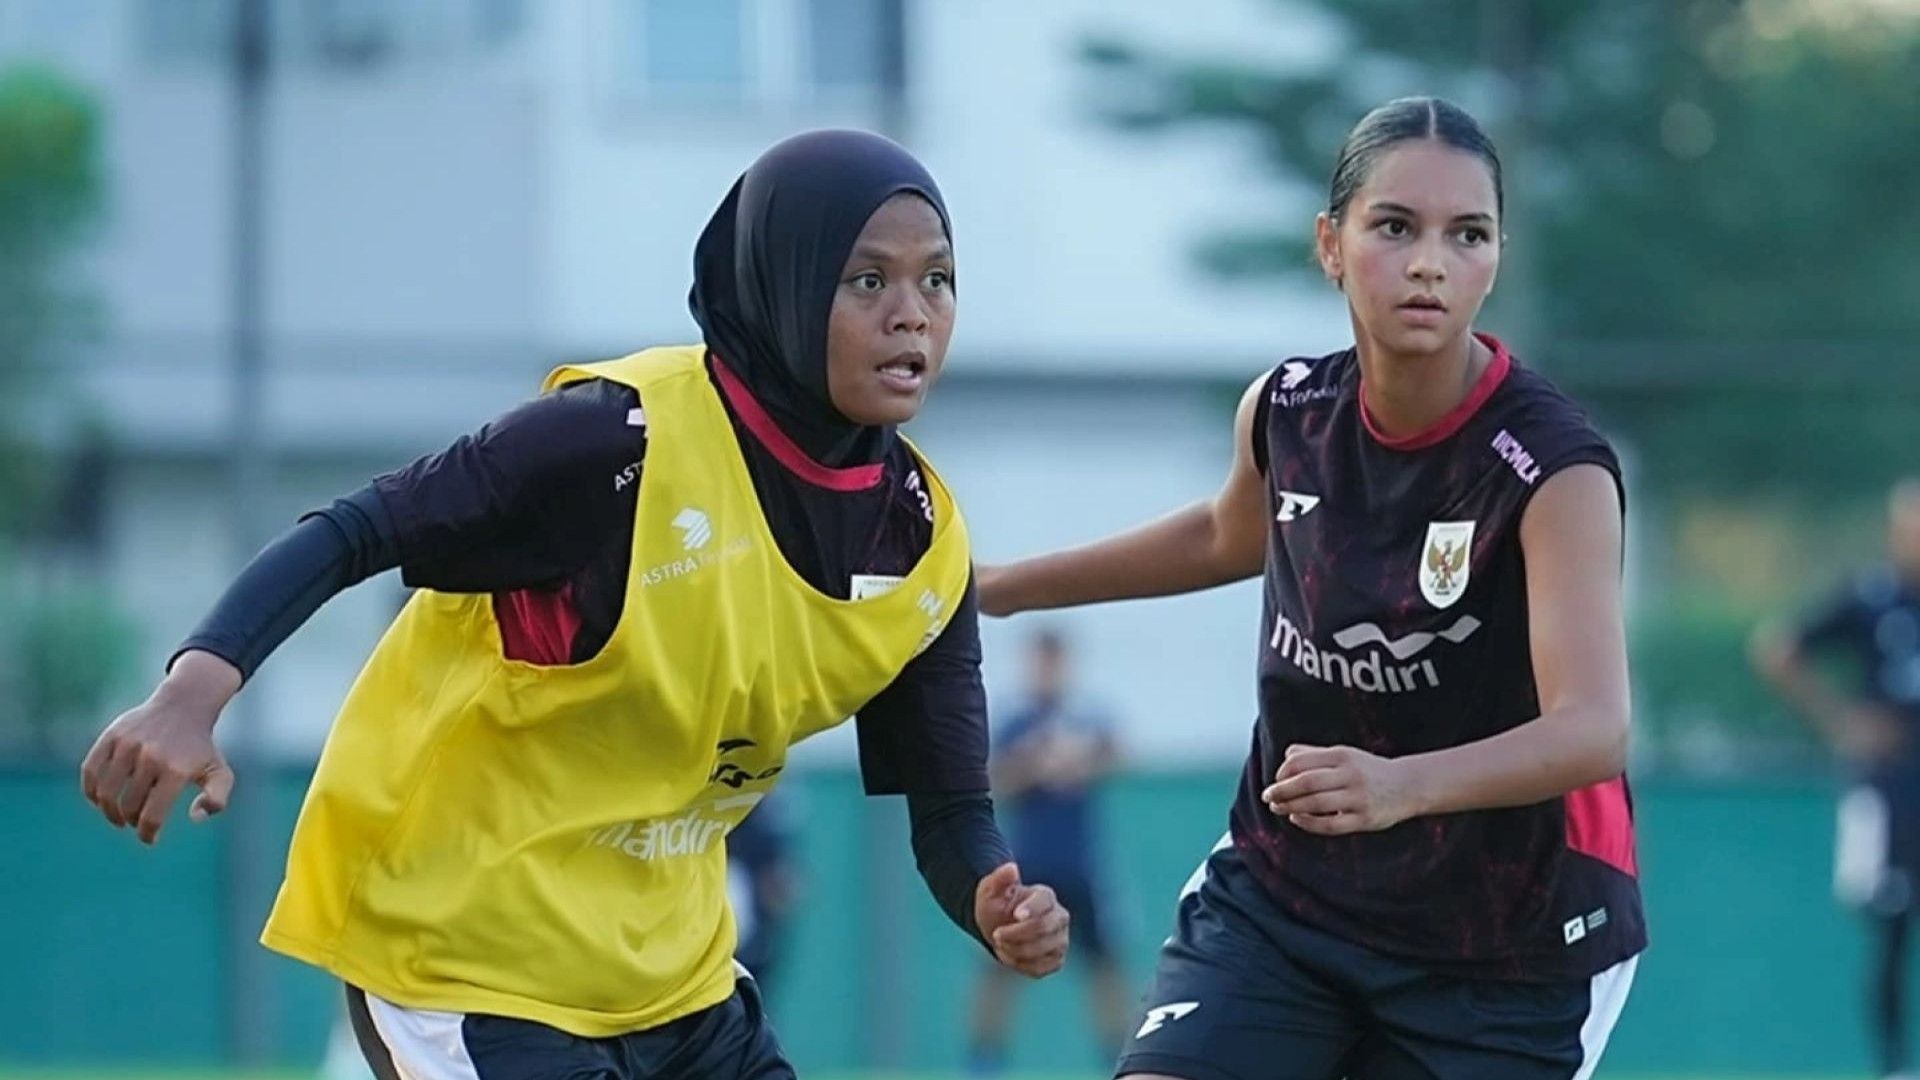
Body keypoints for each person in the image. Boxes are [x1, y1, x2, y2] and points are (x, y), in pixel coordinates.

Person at [77, 129, 1070, 1080]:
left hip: (672, 986)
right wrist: (192, 695)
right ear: (782, 285)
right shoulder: (615, 447)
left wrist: (992, 901)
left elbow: (949, 811)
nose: (913, 313)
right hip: (464, 964)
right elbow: (353, 531)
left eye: (937, 278)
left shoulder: (922, 542)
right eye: (868, 280)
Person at [978, 97, 1645, 1079]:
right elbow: (1220, 533)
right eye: (1394, 226)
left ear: (1497, 255)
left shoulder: (1551, 466)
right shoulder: (1288, 408)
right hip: (1290, 903)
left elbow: (1595, 729)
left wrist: (1399, 785)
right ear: (1330, 244)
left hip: (1507, 946)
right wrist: (1001, 587)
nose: (1430, 262)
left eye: (1468, 234)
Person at [1752, 479, 1920, 1080]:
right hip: (1890, 786)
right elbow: (1777, 648)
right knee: (1891, 926)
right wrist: (1843, 721)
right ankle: (1894, 1065)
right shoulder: (1871, 597)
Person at [968, 628, 1129, 1072]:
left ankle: (1117, 1059)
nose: (1047, 670)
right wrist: (1034, 763)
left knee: (1104, 965)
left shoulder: (1085, 718)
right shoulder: (1016, 722)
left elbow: (1118, 753)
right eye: (1041, 661)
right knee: (999, 963)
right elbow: (994, 778)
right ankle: (983, 1063)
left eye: (1054, 661)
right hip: (1027, 864)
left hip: (1081, 863)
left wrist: (1080, 760)